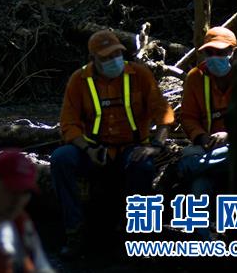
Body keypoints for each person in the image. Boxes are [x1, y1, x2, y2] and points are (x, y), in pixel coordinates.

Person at [50, 30, 175, 259]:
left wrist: (155, 145)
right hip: (95, 150)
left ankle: (138, 236)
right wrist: (88, 148)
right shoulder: (79, 81)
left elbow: (163, 113)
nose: (113, 61)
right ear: (93, 60)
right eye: (106, 57)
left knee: (143, 167)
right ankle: (75, 232)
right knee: (61, 159)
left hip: (132, 149)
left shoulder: (139, 74)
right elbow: (69, 125)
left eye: (116, 54)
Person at [179, 27, 237, 201]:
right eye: (209, 53)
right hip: (210, 147)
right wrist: (202, 137)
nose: (213, 57)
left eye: (219, 52)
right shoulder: (195, 77)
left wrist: (229, 135)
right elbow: (188, 116)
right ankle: (200, 226)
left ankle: (193, 166)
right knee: (199, 185)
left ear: (234, 53)